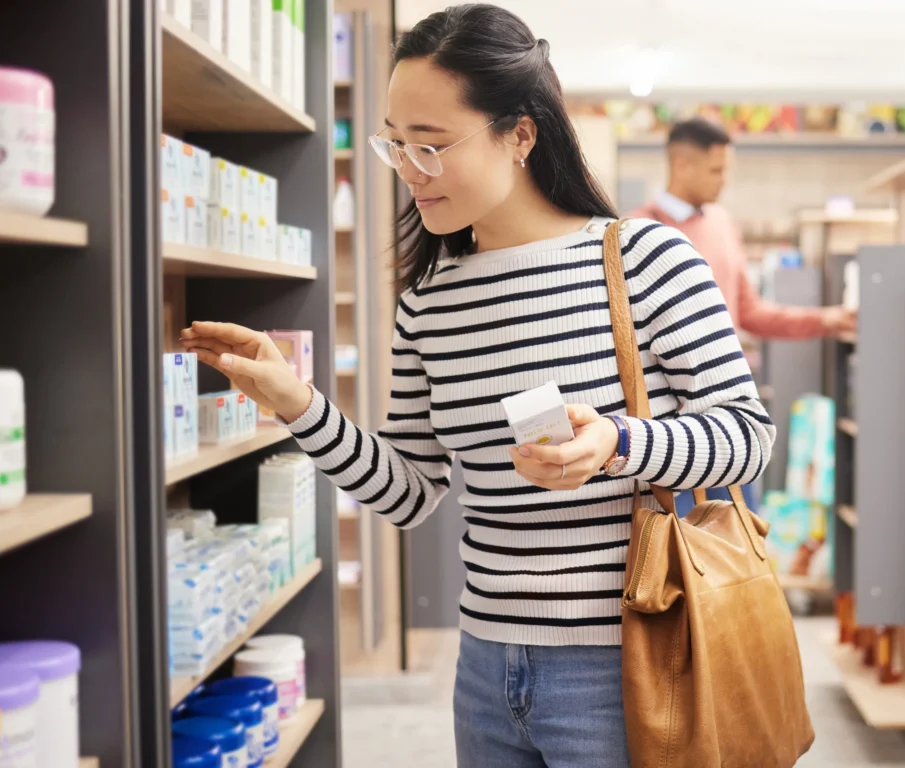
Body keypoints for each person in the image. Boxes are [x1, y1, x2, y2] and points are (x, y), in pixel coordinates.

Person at [181, 6, 774, 766]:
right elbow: (408, 490)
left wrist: (619, 442)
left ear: (520, 134)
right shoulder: (429, 301)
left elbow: (747, 438)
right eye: (395, 144)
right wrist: (295, 401)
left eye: (430, 146)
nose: (406, 170)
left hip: (629, 659)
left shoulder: (649, 261)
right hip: (486, 672)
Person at [632, 117, 855, 511]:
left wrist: (825, 320)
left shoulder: (721, 224)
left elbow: (749, 312)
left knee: (738, 541)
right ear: (681, 164)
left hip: (728, 412)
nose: (725, 180)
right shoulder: (636, 229)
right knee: (675, 547)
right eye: (717, 170)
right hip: (668, 425)